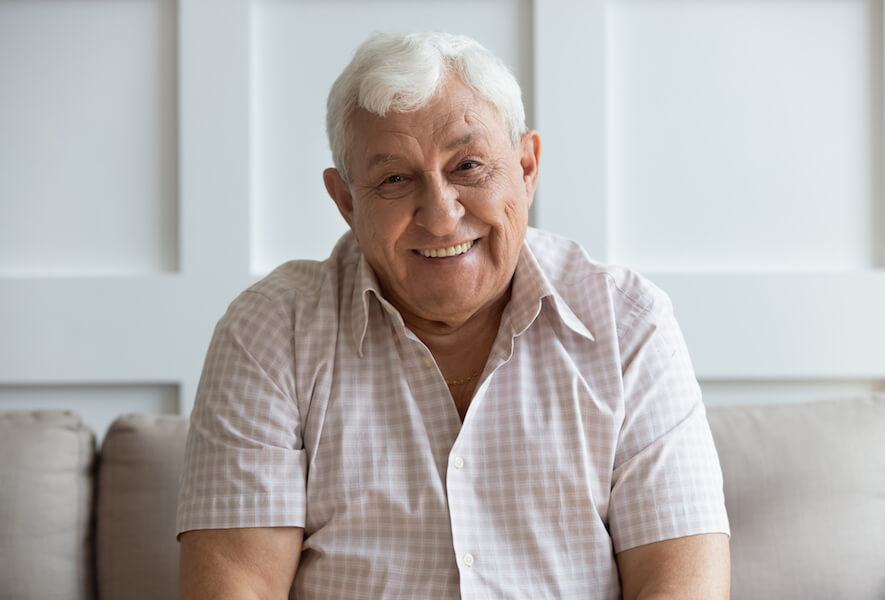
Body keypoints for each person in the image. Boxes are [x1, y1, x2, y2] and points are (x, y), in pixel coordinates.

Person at [176, 31, 730, 599]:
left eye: (468, 165)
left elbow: (680, 586)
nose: (441, 216)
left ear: (527, 166)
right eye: (395, 178)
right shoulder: (271, 331)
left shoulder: (629, 324)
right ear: (346, 201)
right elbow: (236, 587)